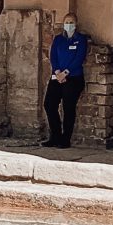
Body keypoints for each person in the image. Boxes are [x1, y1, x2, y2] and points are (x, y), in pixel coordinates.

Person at [44, 14, 89, 148]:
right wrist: (57, 72)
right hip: (57, 77)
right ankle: (55, 136)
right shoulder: (58, 39)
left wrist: (65, 73)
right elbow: (53, 56)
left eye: (71, 22)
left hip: (73, 77)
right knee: (49, 104)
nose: (69, 24)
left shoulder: (80, 40)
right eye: (66, 22)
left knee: (68, 108)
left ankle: (65, 139)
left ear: (76, 24)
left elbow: (79, 58)